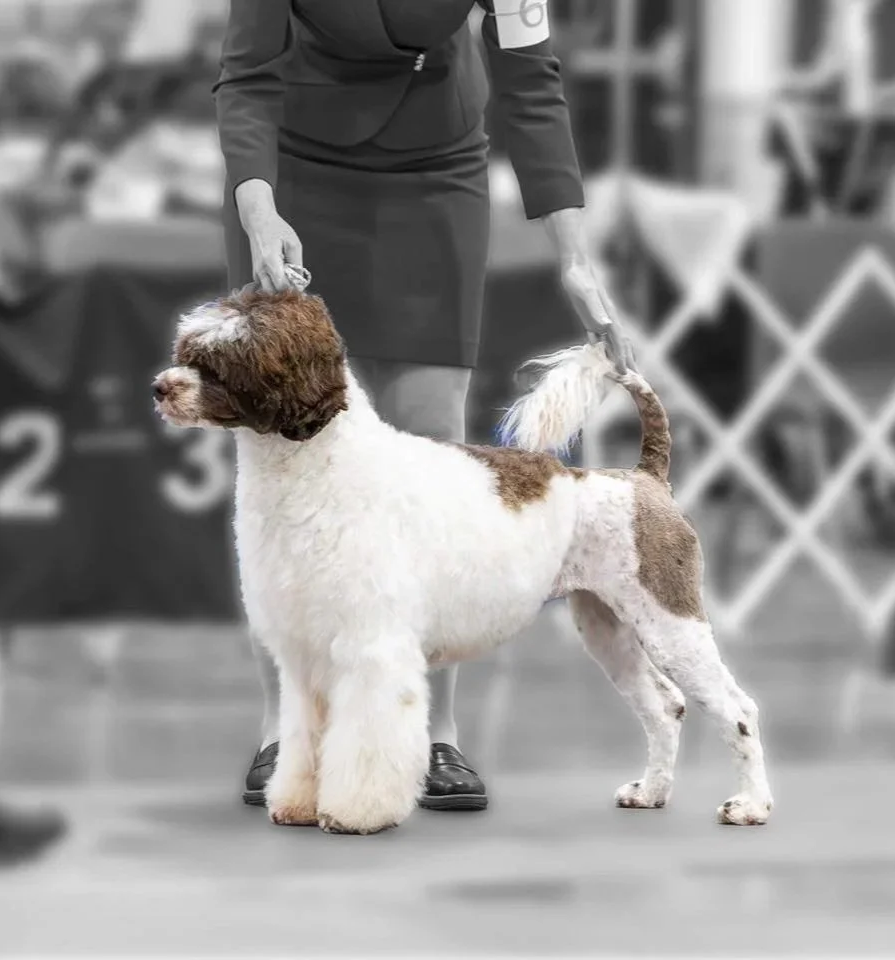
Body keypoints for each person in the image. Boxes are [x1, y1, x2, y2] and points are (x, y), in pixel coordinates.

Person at [215, 0, 635, 811]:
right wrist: (259, 211)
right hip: (290, 170)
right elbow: (248, 77)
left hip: (434, 169)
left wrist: (574, 258)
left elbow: (530, 78)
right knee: (284, 453)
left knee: (431, 442)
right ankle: (286, 725)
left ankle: (435, 730)